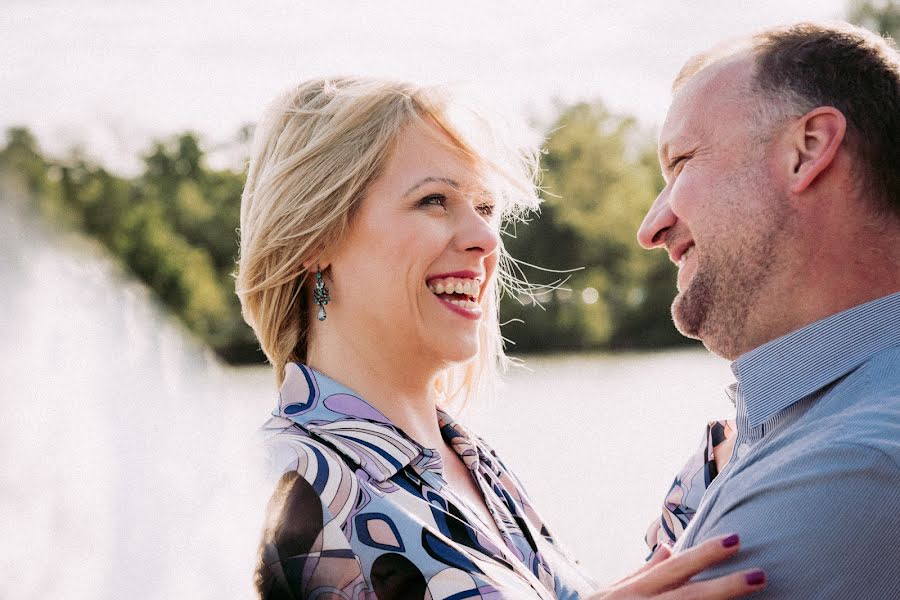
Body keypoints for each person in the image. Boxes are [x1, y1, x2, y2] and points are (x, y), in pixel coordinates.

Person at [237, 78, 767, 599]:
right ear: (315, 238)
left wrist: (722, 480)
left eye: (486, 208)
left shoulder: (468, 460)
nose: (486, 239)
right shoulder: (288, 485)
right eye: (434, 200)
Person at [637, 21, 900, 598]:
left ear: (807, 150)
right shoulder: (795, 425)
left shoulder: (849, 470)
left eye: (681, 162)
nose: (650, 227)